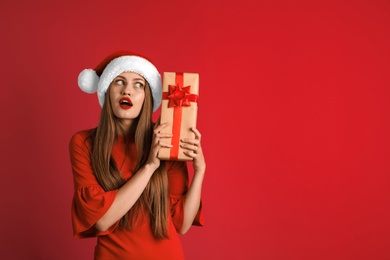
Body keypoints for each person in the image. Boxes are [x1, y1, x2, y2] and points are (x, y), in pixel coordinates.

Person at [69, 50, 205, 259]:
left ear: (147, 97)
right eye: (119, 82)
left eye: (138, 84)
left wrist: (199, 172)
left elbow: (182, 224)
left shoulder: (164, 139)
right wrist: (150, 166)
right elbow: (103, 219)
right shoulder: (84, 143)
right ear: (107, 91)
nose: (128, 91)